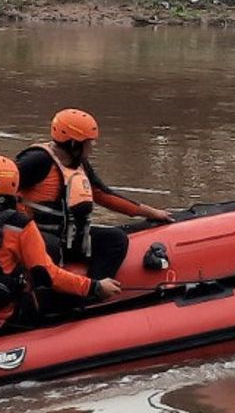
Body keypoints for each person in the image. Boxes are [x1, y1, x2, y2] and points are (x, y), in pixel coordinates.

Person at [0, 155, 122, 329]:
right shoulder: (19, 225)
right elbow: (48, 275)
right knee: (67, 298)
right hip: (4, 319)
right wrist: (95, 286)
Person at [15, 108, 173, 284]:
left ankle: (94, 292)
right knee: (50, 246)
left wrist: (152, 213)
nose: (92, 147)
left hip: (68, 237)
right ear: (73, 144)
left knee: (115, 239)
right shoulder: (37, 160)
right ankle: (44, 299)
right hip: (37, 237)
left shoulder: (79, 163)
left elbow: (102, 194)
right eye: (88, 143)